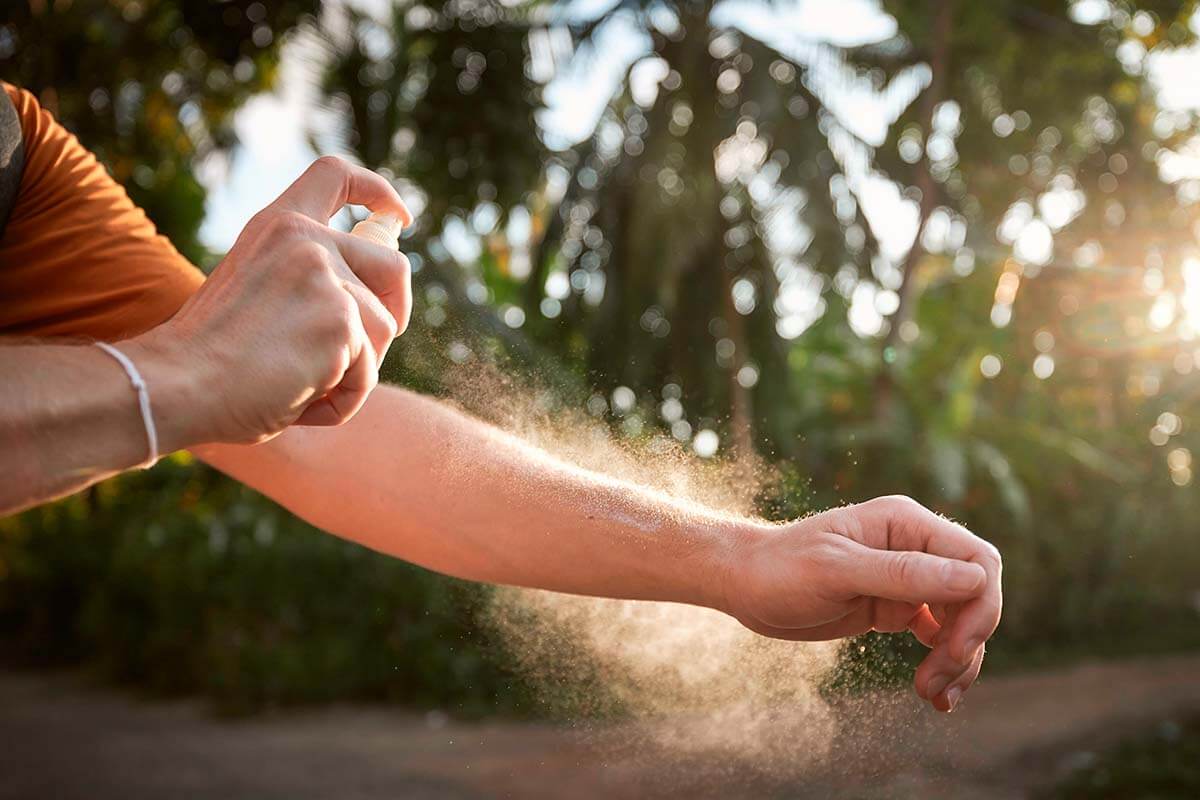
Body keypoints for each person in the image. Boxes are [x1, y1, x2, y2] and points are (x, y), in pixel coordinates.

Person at [0, 82, 1000, 714]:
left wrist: (742, 554)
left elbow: (324, 435)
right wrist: (176, 379)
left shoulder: (24, 160)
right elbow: (193, 378)